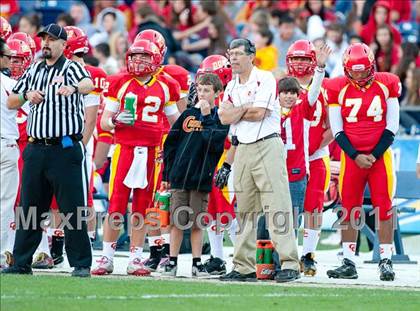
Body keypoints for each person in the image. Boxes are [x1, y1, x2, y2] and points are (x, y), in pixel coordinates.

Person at [3, 24, 94, 277]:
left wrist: (73, 88)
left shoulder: (72, 67)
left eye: (52, 40)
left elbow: (88, 84)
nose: (46, 43)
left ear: (63, 45)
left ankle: (81, 263)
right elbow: (12, 101)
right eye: (43, 39)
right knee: (30, 208)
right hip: (35, 148)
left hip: (64, 148)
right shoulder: (33, 69)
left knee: (71, 208)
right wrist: (27, 95)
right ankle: (21, 262)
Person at [91, 39, 180, 277]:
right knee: (117, 205)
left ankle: (136, 258)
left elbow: (176, 125)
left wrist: (169, 148)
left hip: (152, 152)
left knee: (142, 206)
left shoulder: (166, 85)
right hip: (125, 149)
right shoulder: (119, 81)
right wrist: (116, 120)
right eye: (135, 56)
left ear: (156, 59)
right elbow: (104, 122)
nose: (138, 62)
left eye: (145, 57)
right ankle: (107, 257)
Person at [218, 38, 300, 283]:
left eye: (238, 53)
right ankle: (243, 266)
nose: (232, 58)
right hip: (242, 147)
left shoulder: (264, 78)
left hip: (267, 144)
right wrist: (244, 110)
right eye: (230, 53)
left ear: (251, 56)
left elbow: (259, 113)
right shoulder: (231, 85)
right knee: (244, 210)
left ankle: (290, 263)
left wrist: (238, 112)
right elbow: (223, 118)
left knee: (277, 205)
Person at [325, 43, 401, 281]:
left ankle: (386, 260)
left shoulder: (386, 83)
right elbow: (337, 130)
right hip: (352, 158)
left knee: (384, 207)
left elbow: (392, 126)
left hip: (379, 158)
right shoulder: (338, 87)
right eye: (354, 71)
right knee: (348, 209)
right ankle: (349, 261)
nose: (358, 75)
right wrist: (356, 155)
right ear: (347, 69)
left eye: (362, 70)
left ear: (371, 66)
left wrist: (374, 155)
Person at [162, 73, 229, 277]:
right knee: (176, 221)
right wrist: (167, 174)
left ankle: (196, 263)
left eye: (207, 90)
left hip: (201, 178)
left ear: (217, 93)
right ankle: (172, 262)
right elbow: (170, 145)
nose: (202, 93)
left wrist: (208, 116)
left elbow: (214, 144)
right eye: (199, 89)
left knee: (197, 223)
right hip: (180, 176)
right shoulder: (187, 115)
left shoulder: (220, 118)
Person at [286, 40, 333, 276]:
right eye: (296, 58)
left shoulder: (324, 88)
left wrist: (312, 148)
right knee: (289, 209)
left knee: (313, 208)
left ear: (313, 61)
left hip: (315, 157)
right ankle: (288, 254)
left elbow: (333, 127)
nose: (300, 63)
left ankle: (309, 254)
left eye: (305, 59)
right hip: (290, 158)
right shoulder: (282, 87)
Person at [0, 38, 19, 270]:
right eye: (6, 56)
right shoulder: (10, 84)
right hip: (5, 144)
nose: (9, 61)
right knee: (4, 204)